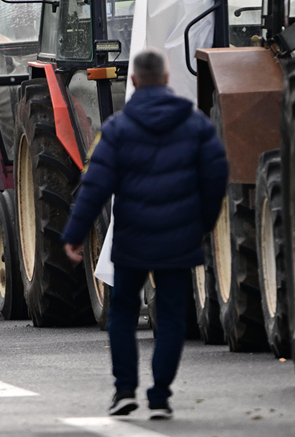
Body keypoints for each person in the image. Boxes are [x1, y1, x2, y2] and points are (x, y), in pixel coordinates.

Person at [62, 47, 227, 420]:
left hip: (132, 239)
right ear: (167, 79)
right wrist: (202, 223)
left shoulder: (117, 129)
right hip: (179, 239)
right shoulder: (196, 124)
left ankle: (124, 390)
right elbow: (216, 177)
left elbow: (95, 187)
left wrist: (75, 233)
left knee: (122, 313)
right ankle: (160, 395)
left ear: (133, 81)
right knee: (170, 317)